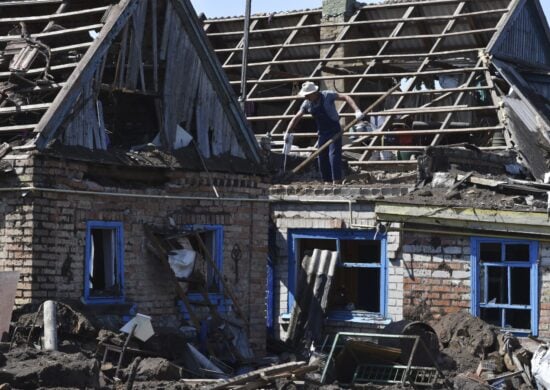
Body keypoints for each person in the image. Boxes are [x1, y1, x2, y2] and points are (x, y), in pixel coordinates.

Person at [284, 81, 363, 184]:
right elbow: (297, 117)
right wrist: (288, 131)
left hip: (334, 130)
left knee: (333, 155)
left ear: (314, 92)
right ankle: (327, 181)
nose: (306, 97)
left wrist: (356, 110)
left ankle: (336, 181)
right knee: (322, 157)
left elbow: (346, 97)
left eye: (307, 95)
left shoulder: (327, 95)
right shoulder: (307, 103)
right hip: (322, 132)